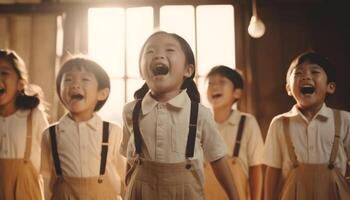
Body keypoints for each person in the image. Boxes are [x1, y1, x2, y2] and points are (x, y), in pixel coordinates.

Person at [120, 31, 238, 200]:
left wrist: (235, 196)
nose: (159, 55)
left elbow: (218, 159)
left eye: (169, 50)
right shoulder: (130, 111)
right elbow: (130, 160)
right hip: (140, 192)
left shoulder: (199, 114)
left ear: (188, 70)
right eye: (150, 51)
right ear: (141, 70)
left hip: (186, 194)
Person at [263, 52, 350, 200]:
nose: (306, 76)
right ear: (288, 89)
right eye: (298, 73)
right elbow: (273, 170)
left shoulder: (344, 119)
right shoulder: (279, 123)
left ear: (330, 87)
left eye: (315, 71)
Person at [41, 57, 125, 200]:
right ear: (59, 92)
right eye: (68, 80)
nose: (75, 85)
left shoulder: (113, 131)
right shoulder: (50, 134)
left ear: (102, 93)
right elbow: (46, 176)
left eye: (85, 80)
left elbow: (124, 176)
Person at [205, 65, 264, 200]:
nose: (215, 86)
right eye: (210, 83)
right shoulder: (200, 124)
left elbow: (255, 168)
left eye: (222, 82)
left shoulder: (247, 123)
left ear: (236, 93)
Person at [0, 49, 49, 200]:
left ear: (20, 84)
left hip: (27, 193)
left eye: (4, 72)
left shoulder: (33, 116)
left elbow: (52, 162)